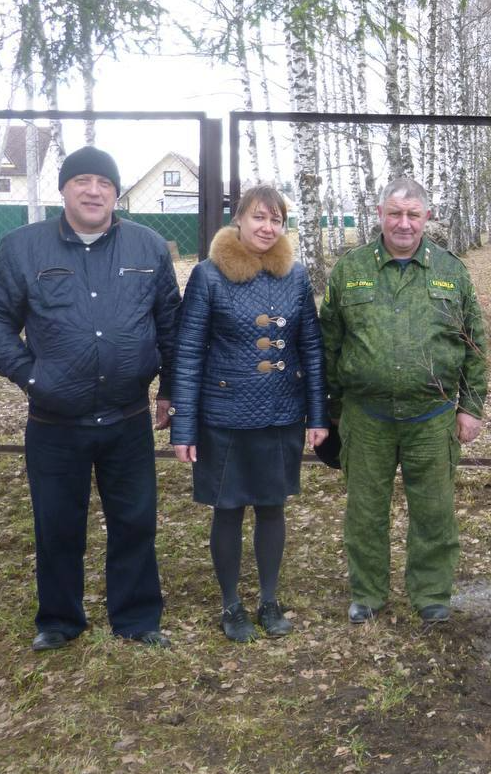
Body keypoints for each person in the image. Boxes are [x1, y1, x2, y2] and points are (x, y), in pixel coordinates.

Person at [0, 146, 180, 651]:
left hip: (127, 415)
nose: (93, 191)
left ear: (116, 192)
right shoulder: (23, 247)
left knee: (135, 521)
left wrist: (169, 389)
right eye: (82, 181)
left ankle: (136, 617)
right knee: (57, 523)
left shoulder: (149, 248)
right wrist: (30, 374)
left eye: (104, 183)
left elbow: (172, 325)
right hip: (54, 421)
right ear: (63, 189)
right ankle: (60, 620)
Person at [319, 176, 487, 625]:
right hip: (366, 416)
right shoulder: (350, 271)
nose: (404, 223)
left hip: (431, 417)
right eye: (395, 213)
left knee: (434, 510)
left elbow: (474, 344)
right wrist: (328, 412)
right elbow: (327, 345)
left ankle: (431, 592)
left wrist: (471, 408)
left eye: (413, 214)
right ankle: (368, 593)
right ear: (380, 215)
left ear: (427, 218)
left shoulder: (452, 273)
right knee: (365, 510)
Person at [169, 186, 328, 642]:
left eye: (276, 220)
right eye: (259, 217)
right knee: (229, 509)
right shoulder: (208, 276)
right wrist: (184, 426)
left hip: (280, 414)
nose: (267, 227)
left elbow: (311, 350)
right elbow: (189, 352)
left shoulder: (295, 277)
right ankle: (231, 605)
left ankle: (269, 599)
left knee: (272, 508)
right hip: (224, 416)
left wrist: (317, 415)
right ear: (238, 219)